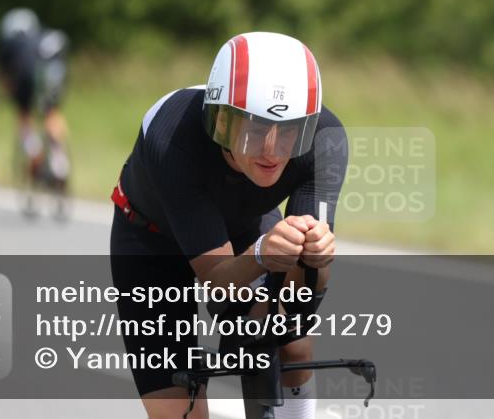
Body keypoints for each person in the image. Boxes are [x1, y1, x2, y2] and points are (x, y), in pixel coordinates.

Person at [109, 31, 347, 419]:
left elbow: (301, 302)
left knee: (289, 337)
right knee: (178, 407)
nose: (271, 149)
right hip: (151, 242)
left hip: (243, 226)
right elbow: (217, 282)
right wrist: (261, 254)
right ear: (220, 120)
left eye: (289, 131)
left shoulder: (324, 139)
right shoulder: (174, 136)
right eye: (254, 129)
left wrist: (316, 262)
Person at [0, 8, 71, 188]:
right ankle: (59, 160)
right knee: (51, 112)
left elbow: (5, 77)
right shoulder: (44, 36)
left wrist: (10, 94)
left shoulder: (11, 43)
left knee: (24, 115)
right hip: (54, 73)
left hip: (26, 76)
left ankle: (33, 150)